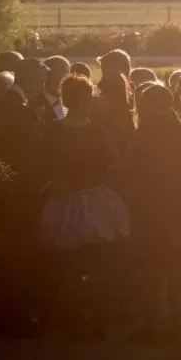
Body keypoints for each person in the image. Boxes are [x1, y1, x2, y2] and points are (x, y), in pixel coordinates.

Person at [38, 74, 130, 336]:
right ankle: (95, 317)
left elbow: (43, 164)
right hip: (95, 202)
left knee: (66, 263)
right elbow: (118, 164)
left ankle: (70, 318)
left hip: (63, 202)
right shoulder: (99, 132)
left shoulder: (52, 129)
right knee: (97, 262)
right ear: (87, 100)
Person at [130, 84, 181, 341]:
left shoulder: (144, 134)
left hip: (151, 209)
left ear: (154, 106)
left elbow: (135, 172)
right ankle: (178, 322)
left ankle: (153, 324)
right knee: (178, 267)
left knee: (150, 268)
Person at [41, 56, 72, 123]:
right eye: (60, 76)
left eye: (67, 76)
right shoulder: (37, 105)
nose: (65, 81)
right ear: (47, 76)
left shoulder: (69, 102)